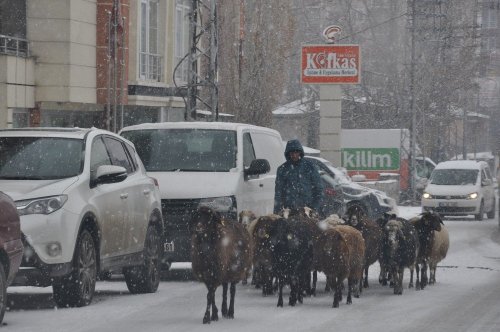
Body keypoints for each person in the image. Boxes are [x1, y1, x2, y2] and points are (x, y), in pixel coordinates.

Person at [274, 139, 324, 215]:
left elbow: (318, 189)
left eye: (296, 152)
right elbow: (278, 193)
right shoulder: (282, 169)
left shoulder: (309, 167)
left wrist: (314, 208)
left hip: (307, 211)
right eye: (292, 152)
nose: (294, 155)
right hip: (288, 212)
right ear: (288, 153)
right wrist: (277, 212)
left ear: (300, 152)